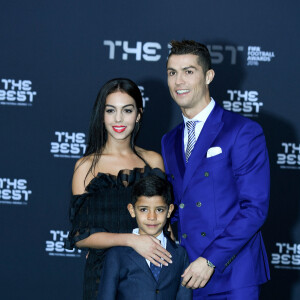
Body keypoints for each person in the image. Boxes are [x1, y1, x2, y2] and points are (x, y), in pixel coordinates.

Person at [161, 40, 270, 299]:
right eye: (172, 73)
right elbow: (177, 205)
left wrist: (209, 261)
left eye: (189, 71)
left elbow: (254, 208)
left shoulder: (242, 131)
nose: (179, 81)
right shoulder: (169, 140)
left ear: (208, 76)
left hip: (232, 274)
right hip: (186, 275)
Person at [65, 78, 172, 300]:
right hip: (102, 277)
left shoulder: (153, 161)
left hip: (149, 274)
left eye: (127, 110)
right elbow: (80, 236)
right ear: (102, 115)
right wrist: (131, 240)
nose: (119, 119)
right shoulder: (86, 166)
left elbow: (165, 226)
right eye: (111, 110)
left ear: (138, 114)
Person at [97, 174, 192, 300]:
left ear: (169, 211)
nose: (151, 217)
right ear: (132, 210)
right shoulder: (117, 254)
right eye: (143, 210)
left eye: (159, 210)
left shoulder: (180, 254)